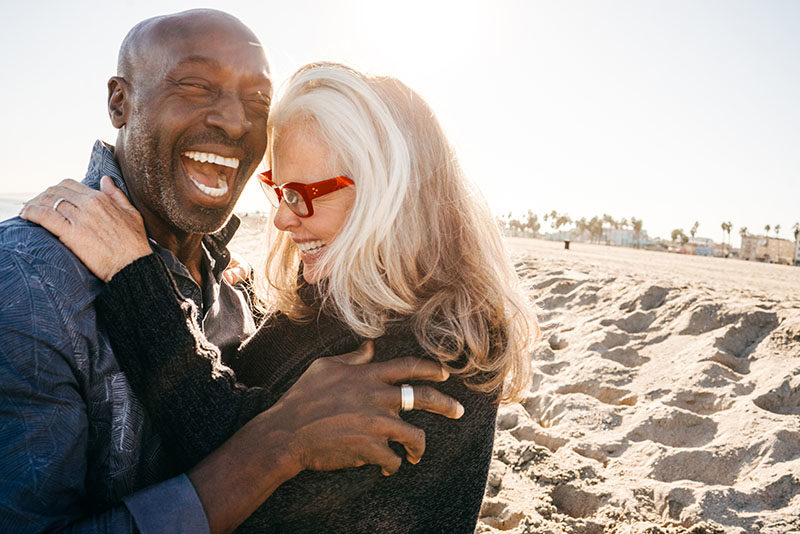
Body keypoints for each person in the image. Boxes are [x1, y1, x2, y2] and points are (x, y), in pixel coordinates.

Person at [21, 63, 537, 532]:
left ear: (391, 195)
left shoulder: (438, 346)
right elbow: (275, 386)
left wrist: (134, 274)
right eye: (278, 188)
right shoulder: (339, 291)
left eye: (305, 195)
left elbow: (229, 457)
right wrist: (233, 287)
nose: (284, 218)